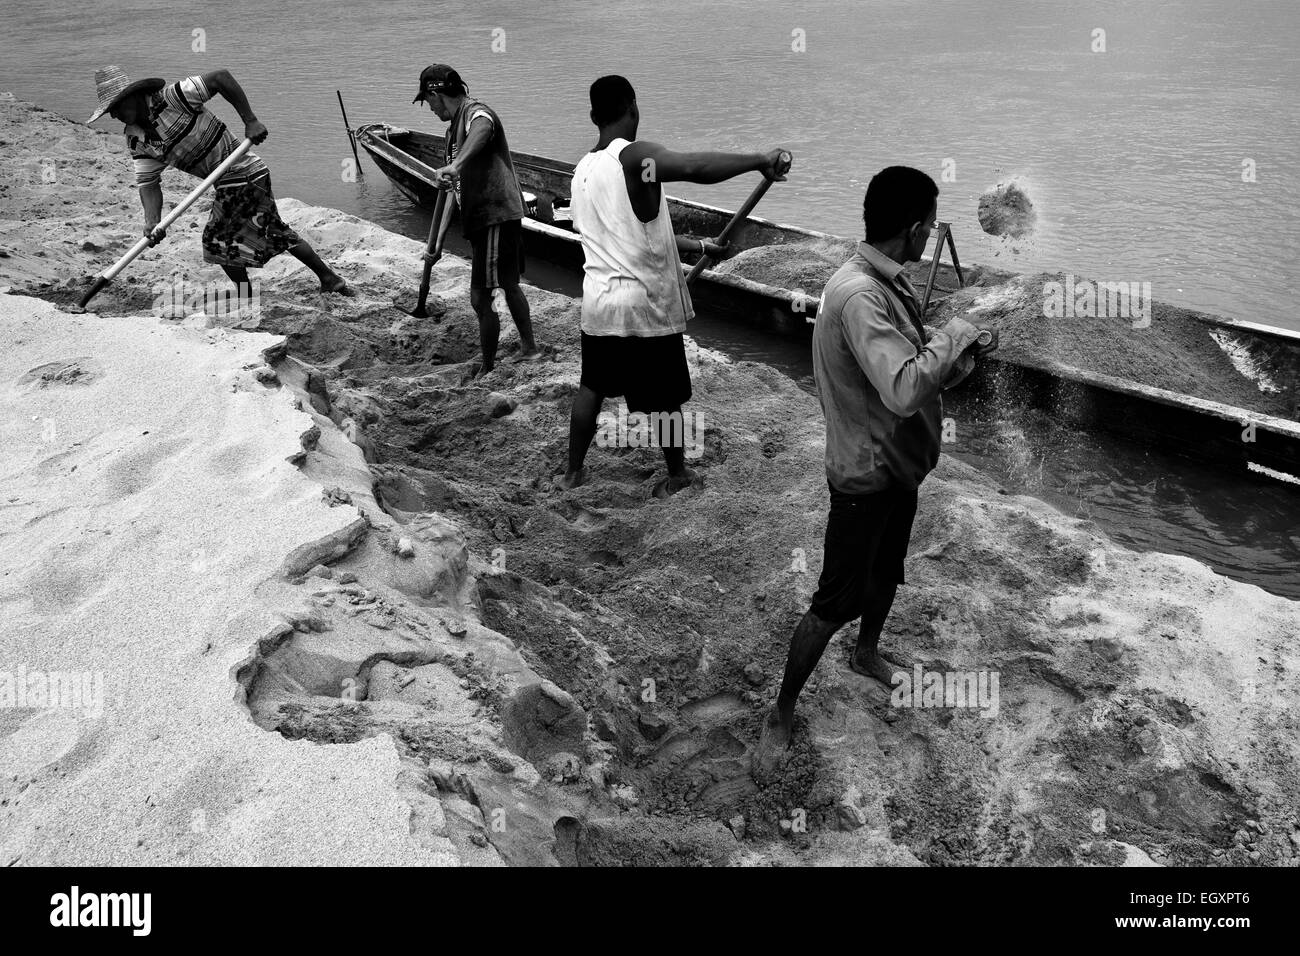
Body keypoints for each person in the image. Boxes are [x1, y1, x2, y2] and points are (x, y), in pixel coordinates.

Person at [752, 166, 999, 778]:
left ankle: (866, 653)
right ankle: (781, 710)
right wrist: (958, 331)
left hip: (897, 464)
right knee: (833, 602)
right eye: (929, 225)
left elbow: (914, 365)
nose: (929, 238)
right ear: (914, 229)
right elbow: (903, 386)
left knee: (887, 572)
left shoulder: (882, 280)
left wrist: (956, 356)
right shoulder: (860, 295)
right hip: (864, 472)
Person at [557, 74, 789, 496]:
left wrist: (698, 244)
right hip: (643, 305)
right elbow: (693, 167)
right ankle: (677, 475)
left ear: (593, 117)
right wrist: (758, 159)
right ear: (633, 107)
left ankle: (573, 472)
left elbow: (626, 233)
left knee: (591, 386)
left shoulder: (582, 173)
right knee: (666, 399)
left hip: (600, 303)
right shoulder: (635, 158)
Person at [87, 65, 351, 305]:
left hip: (244, 170)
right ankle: (328, 279)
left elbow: (220, 77)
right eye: (111, 112)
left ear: (131, 98)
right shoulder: (136, 139)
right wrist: (152, 221)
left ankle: (251, 295)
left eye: (116, 109)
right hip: (224, 182)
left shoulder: (174, 97)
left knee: (217, 241)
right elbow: (148, 182)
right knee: (272, 232)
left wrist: (250, 120)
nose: (115, 116)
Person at [413, 64, 537, 373]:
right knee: (509, 283)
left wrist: (456, 165)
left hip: (493, 214)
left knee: (480, 297)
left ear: (436, 93)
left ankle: (486, 367)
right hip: (489, 215)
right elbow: (450, 192)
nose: (429, 108)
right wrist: (437, 244)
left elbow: (484, 128)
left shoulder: (474, 112)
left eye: (428, 101)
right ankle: (530, 349)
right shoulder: (452, 132)